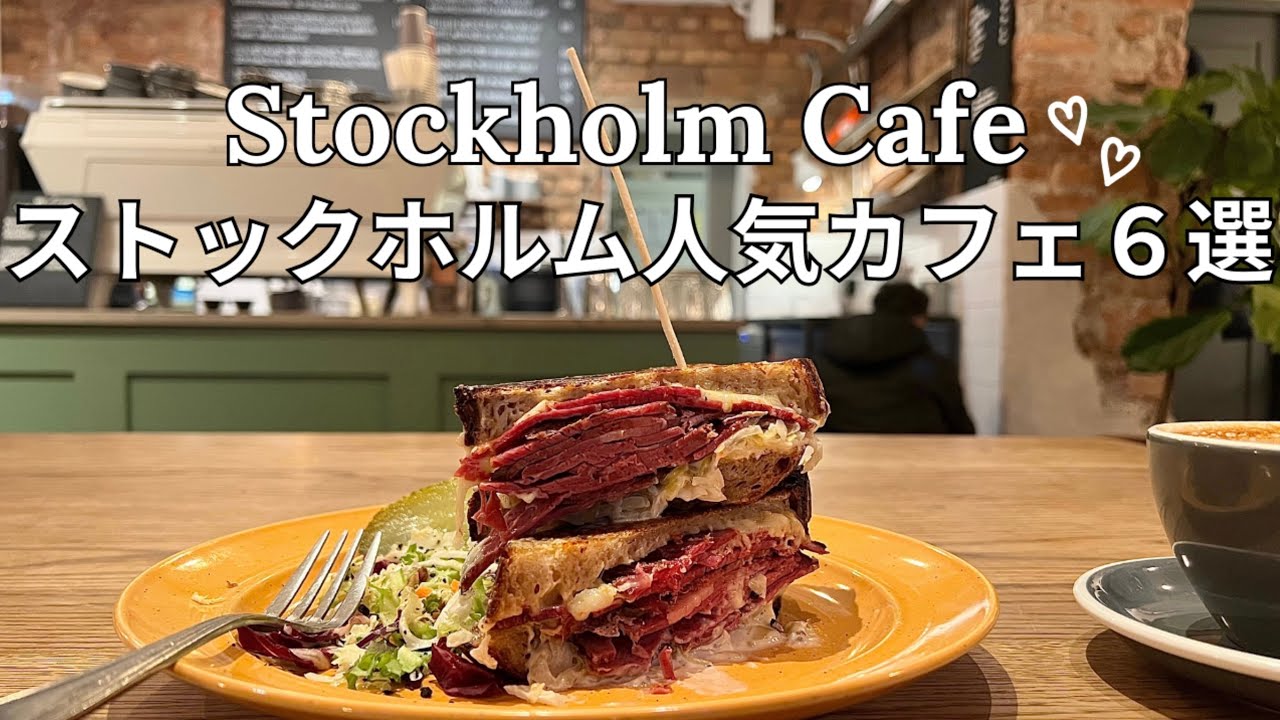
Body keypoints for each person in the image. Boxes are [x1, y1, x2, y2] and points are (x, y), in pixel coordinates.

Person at [815, 282, 975, 434]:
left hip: (839, 449)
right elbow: (961, 427)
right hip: (921, 450)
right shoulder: (933, 366)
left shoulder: (830, 356)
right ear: (919, 319)